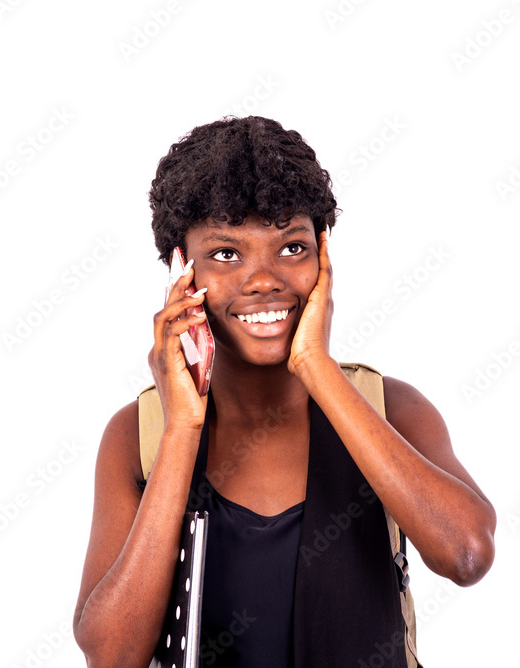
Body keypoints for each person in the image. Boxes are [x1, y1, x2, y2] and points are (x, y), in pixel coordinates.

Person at [72, 116, 496, 668]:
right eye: (227, 254)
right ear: (181, 270)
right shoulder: (139, 434)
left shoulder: (391, 407)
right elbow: (111, 655)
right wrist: (183, 429)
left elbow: (467, 555)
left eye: (292, 247)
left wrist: (317, 366)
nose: (264, 279)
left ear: (323, 255)